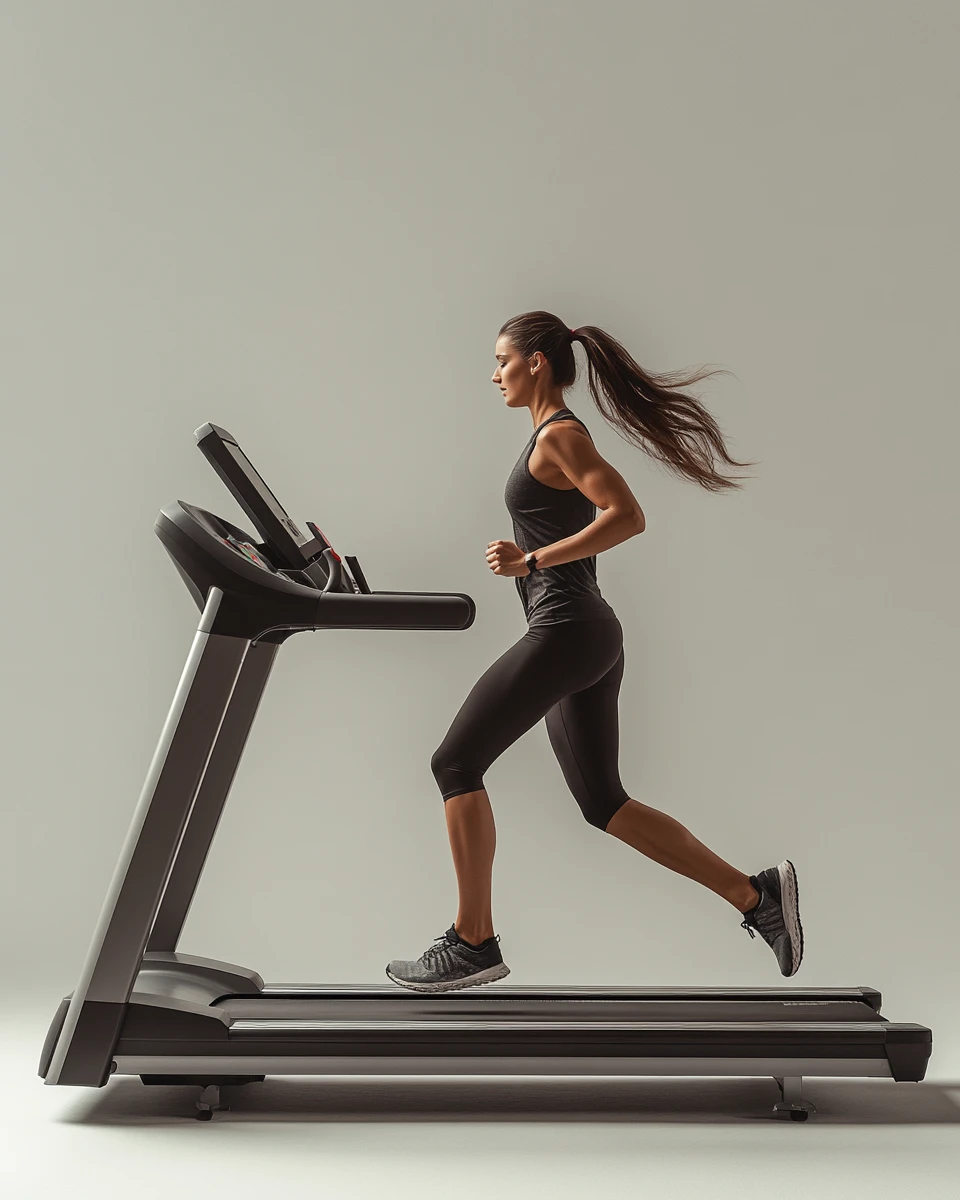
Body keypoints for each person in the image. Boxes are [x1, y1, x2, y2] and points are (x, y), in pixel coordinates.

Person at [386, 310, 802, 992]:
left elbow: (627, 515)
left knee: (454, 761)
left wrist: (533, 560)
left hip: (569, 631)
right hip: (585, 634)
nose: (495, 375)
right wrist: (534, 562)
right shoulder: (548, 439)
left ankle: (472, 941)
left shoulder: (559, 437)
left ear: (537, 364)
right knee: (603, 802)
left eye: (502, 361)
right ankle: (756, 897)